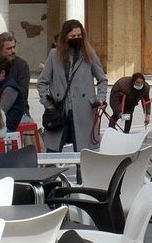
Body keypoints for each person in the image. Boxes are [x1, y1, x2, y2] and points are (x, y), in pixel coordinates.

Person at [37, 19, 108, 152]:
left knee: (84, 153)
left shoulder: (89, 54)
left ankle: (82, 174)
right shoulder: (54, 55)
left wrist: (100, 97)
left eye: (79, 36)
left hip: (84, 111)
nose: (77, 39)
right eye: (73, 36)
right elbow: (42, 82)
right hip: (59, 111)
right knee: (52, 152)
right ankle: (52, 173)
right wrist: (48, 104)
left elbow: (102, 80)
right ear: (65, 37)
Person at [0, 32, 33, 119]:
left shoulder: (22, 65)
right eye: (8, 48)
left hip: (19, 113)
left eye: (14, 47)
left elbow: (22, 93)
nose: (13, 51)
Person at [0, 57, 28, 132]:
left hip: (6, 126)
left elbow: (1, 112)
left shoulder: (10, 88)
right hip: (0, 124)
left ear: (2, 73)